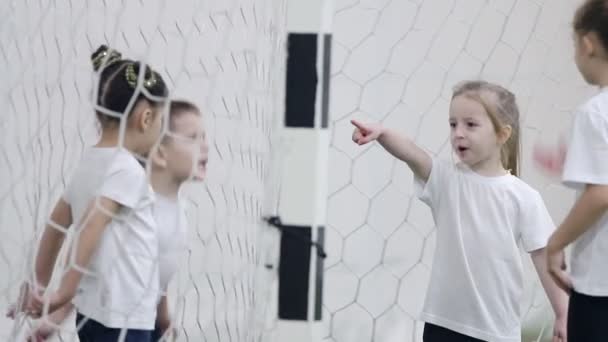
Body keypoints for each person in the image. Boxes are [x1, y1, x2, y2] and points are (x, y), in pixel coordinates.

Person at [351, 80, 568, 341]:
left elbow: (545, 257)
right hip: (443, 325)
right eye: (453, 124)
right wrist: (382, 133)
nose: (458, 133)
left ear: (502, 134)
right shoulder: (446, 179)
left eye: (471, 124)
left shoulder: (523, 197)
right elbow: (411, 152)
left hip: (495, 331)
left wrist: (563, 314)